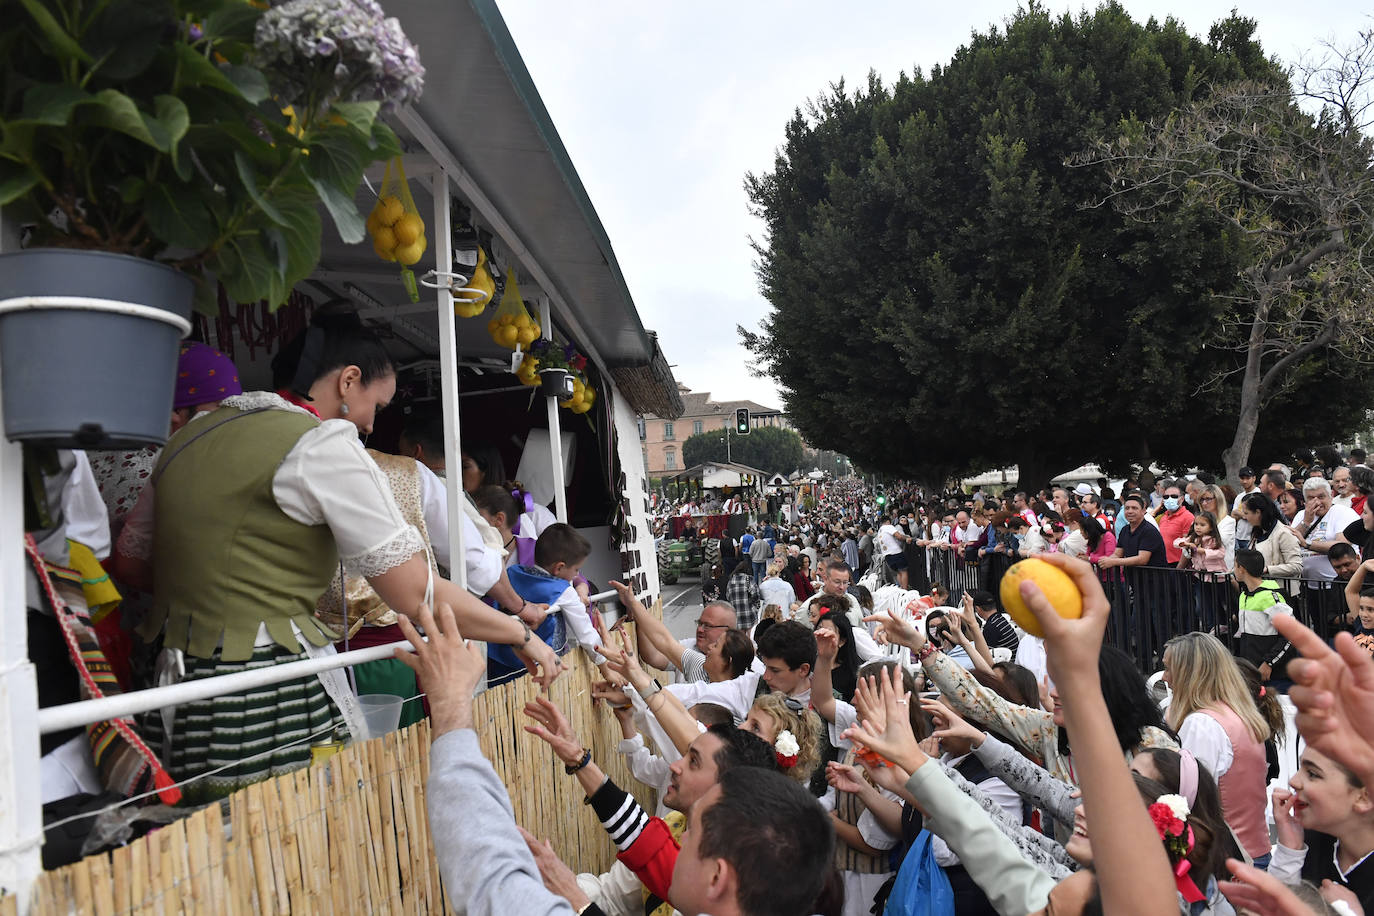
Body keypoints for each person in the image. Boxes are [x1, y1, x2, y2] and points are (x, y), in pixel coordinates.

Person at [121, 314, 559, 800]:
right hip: (267, 684)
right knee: (285, 830)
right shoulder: (319, 443)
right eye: (377, 403)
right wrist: (519, 633)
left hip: (178, 681)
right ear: (348, 381)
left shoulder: (185, 439)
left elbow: (131, 563)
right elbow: (416, 593)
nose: (373, 422)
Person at [1161, 632, 1273, 868]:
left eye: (1169, 668)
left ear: (1189, 674)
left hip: (1228, 859)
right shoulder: (1237, 715)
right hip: (1254, 850)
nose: (1165, 677)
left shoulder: (1202, 724)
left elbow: (1188, 799)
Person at [1268, 746, 1374, 910]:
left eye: (1312, 774)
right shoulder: (1313, 840)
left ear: (1363, 797)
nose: (1293, 781)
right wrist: (1290, 852)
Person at [1232, 548, 1295, 687]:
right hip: (1251, 671)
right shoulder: (1244, 595)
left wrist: (1269, 663)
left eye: (1234, 565)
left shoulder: (1270, 596)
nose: (1233, 570)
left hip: (1272, 674)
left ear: (1241, 568)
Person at [1240, 492, 1303, 585]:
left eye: (1246, 513)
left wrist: (1268, 569)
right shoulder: (1257, 532)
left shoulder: (1283, 533)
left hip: (1281, 592)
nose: (1244, 517)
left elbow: (1297, 566)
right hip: (1262, 589)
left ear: (1258, 512)